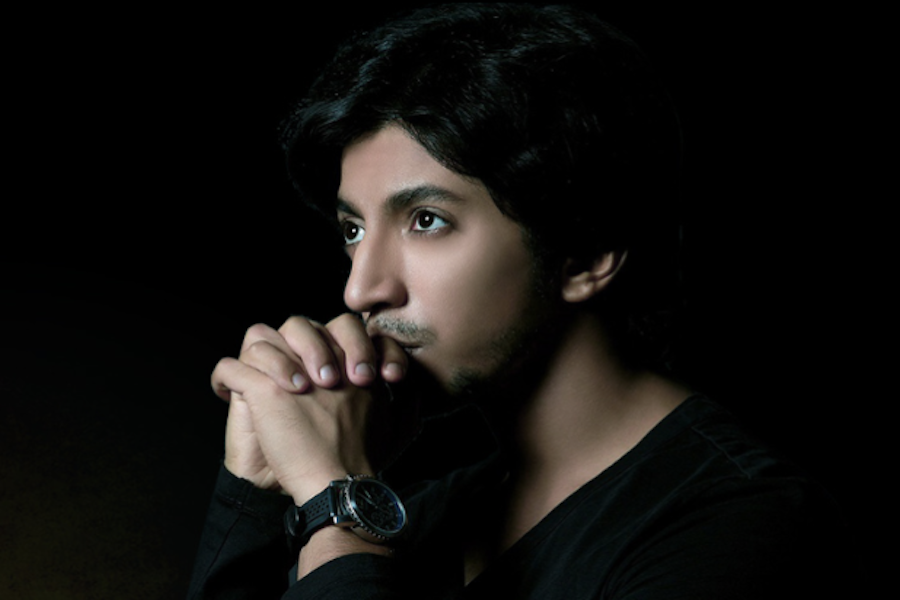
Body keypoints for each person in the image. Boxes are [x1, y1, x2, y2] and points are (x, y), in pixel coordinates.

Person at [189, 4, 859, 598]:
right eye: (353, 230)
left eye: (426, 220)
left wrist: (339, 508)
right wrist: (257, 495)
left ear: (586, 252)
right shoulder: (432, 517)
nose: (360, 289)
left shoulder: (743, 524)